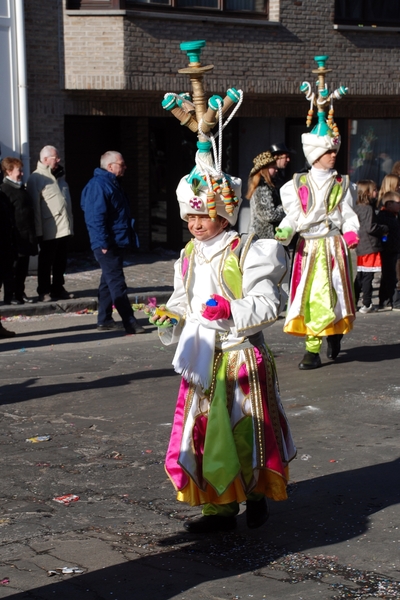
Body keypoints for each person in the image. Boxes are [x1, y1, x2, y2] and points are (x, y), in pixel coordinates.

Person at [150, 165, 296, 534]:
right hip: (201, 355)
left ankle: (257, 493)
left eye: (204, 216)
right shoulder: (187, 254)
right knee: (204, 435)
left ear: (224, 214)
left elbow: (268, 303)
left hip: (239, 355)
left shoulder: (249, 250)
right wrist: (170, 316)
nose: (196, 224)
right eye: (191, 217)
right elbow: (183, 300)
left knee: (245, 433)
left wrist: (232, 309)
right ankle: (220, 508)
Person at [275, 118, 359, 370]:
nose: (333, 156)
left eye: (334, 151)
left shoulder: (343, 184)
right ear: (315, 155)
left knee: (333, 294)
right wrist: (286, 230)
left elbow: (349, 214)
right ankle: (312, 349)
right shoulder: (296, 184)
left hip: (334, 247)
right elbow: (293, 216)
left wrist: (351, 233)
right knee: (310, 298)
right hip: (308, 249)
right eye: (328, 152)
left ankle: (333, 335)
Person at [81, 151, 145, 335]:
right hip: (106, 243)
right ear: (110, 166)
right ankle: (129, 321)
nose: (124, 167)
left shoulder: (112, 184)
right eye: (121, 164)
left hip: (114, 240)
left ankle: (105, 319)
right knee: (117, 282)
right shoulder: (99, 185)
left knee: (107, 281)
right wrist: (102, 242)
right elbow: (95, 217)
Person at [27, 146, 74, 302]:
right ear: (45, 159)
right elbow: (35, 206)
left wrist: (70, 226)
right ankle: (44, 290)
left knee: (61, 260)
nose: (59, 160)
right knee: (46, 261)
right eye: (56, 157)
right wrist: (39, 231)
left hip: (63, 227)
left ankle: (58, 288)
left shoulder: (60, 178)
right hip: (49, 228)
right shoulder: (36, 178)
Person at [1, 157, 37, 304]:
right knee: (12, 268)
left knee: (23, 267)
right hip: (15, 236)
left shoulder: (21, 188)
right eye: (19, 170)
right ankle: (11, 295)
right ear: (9, 171)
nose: (22, 173)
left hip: (26, 233)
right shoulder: (5, 190)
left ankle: (20, 293)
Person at [354, 180, 388, 314]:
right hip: (370, 245)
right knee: (368, 276)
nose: (377, 192)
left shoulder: (357, 207)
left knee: (361, 275)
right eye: (374, 190)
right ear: (367, 193)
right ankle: (366, 303)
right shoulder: (368, 208)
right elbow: (370, 227)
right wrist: (383, 228)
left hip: (361, 245)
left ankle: (354, 300)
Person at [246, 151, 285, 240]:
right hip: (263, 238)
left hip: (264, 238)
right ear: (265, 169)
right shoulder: (261, 187)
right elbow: (269, 214)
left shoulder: (269, 185)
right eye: (273, 167)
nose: (276, 170)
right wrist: (285, 208)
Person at [376, 191, 400, 311]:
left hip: (394, 249)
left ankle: (384, 300)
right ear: (389, 204)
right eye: (398, 203)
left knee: (387, 276)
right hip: (388, 250)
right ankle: (395, 301)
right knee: (390, 276)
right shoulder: (384, 217)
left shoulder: (394, 216)